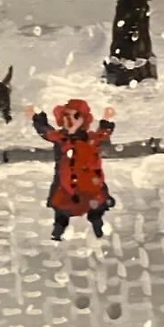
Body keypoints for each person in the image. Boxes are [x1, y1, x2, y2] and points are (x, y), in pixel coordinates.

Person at [27, 98, 116, 240]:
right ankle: (58, 230)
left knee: (96, 205)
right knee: (62, 209)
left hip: (90, 185)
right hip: (68, 187)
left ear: (83, 120)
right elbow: (46, 131)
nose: (70, 121)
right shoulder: (62, 139)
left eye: (76, 116)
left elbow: (103, 133)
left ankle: (97, 223)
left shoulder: (91, 139)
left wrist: (107, 119)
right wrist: (37, 116)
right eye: (66, 116)